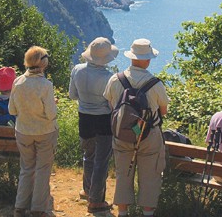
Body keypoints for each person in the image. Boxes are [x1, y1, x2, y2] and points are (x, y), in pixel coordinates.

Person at [104, 38, 169, 217]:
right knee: (150, 176)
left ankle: (123, 212)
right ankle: (147, 213)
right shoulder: (155, 84)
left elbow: (112, 106)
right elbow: (163, 111)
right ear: (147, 60)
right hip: (149, 136)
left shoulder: (115, 80)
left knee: (123, 174)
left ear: (131, 57)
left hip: (122, 134)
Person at [68, 37, 118, 213]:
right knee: (101, 160)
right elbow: (113, 104)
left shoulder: (77, 70)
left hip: (84, 118)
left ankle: (87, 190)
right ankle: (96, 201)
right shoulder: (110, 78)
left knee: (88, 155)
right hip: (103, 120)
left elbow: (72, 95)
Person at [9, 46, 58, 217]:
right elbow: (51, 114)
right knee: (43, 169)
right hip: (44, 132)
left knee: (26, 168)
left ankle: (20, 207)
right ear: (43, 63)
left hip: (23, 131)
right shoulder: (46, 85)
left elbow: (12, 110)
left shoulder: (17, 82)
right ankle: (38, 209)